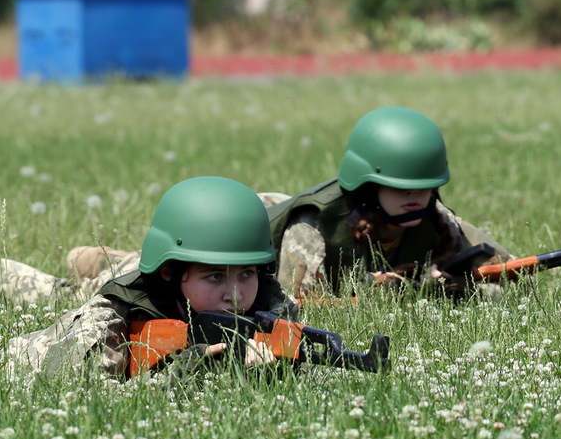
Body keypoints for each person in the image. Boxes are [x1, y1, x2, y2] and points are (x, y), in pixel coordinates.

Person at [0, 177, 297, 384]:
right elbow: (93, 401)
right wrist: (182, 379)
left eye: (246, 274)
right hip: (38, 366)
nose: (236, 293)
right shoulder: (111, 318)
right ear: (171, 272)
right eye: (215, 276)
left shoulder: (265, 302)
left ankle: (98, 260)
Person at [65, 106, 514, 302]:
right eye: (400, 187)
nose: (415, 197)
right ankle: (93, 263)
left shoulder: (431, 218)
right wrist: (408, 292)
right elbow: (299, 303)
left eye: (425, 187)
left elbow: (511, 270)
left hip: (231, 257)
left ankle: (103, 257)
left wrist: (469, 287)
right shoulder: (313, 227)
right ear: (366, 184)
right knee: (117, 284)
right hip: (220, 253)